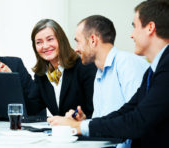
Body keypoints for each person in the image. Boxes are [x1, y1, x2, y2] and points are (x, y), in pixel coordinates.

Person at [47, 1, 169, 147]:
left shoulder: (138, 65)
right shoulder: (151, 71)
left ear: (150, 27)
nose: (131, 35)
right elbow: (125, 112)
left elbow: (137, 121)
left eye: (134, 26)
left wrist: (78, 127)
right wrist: (83, 124)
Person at [76, 15, 149, 148]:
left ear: (93, 40)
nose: (76, 48)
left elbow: (138, 121)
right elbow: (105, 124)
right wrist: (84, 123)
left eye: (78, 41)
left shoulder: (127, 64)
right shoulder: (99, 73)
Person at [26, 19, 96, 117]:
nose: (45, 46)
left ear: (61, 40)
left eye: (50, 39)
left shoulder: (84, 67)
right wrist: (14, 79)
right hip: (60, 131)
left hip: (84, 129)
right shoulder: (42, 74)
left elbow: (95, 111)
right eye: (39, 42)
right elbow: (31, 108)